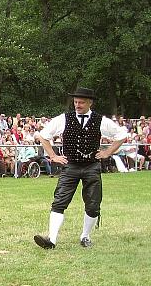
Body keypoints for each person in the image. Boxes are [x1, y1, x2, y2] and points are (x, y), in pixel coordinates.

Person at [34, 87, 127, 249]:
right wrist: (53, 156)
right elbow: (43, 136)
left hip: (92, 166)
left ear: (90, 103)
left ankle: (85, 236)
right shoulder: (64, 119)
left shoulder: (101, 121)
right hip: (70, 166)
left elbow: (121, 136)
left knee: (93, 204)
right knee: (59, 202)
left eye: (81, 102)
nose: (77, 105)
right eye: (76, 102)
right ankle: (52, 240)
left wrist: (107, 152)